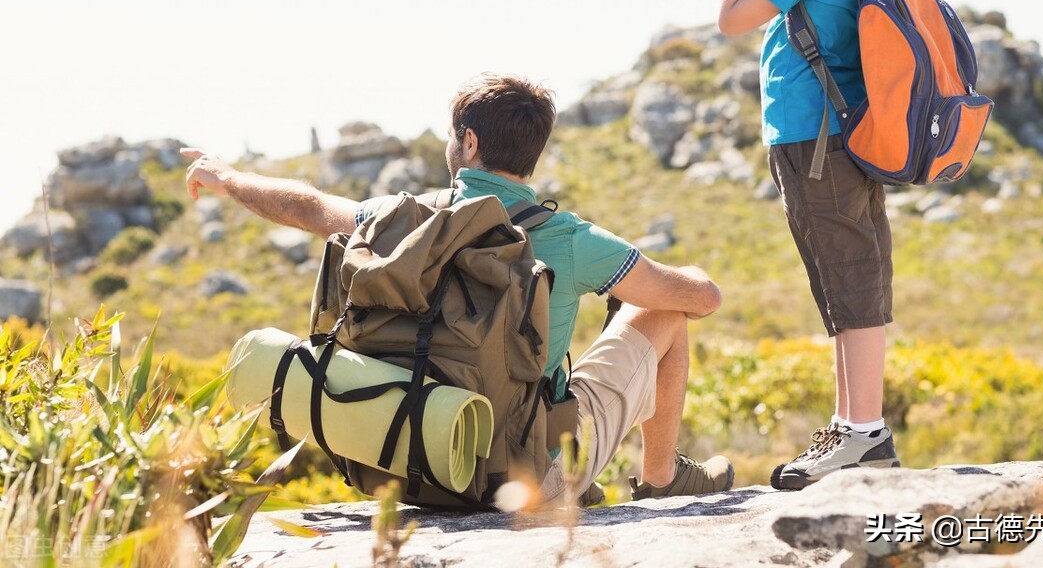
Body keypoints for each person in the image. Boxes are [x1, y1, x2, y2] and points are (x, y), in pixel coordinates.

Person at [181, 72, 734, 505]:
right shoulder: (569, 238)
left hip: (419, 458)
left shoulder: (396, 220)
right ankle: (662, 480)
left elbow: (305, 207)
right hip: (523, 479)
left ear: (468, 143)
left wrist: (228, 179)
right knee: (660, 313)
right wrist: (693, 276)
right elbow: (701, 300)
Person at [716, 0, 900, 490]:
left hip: (811, 140)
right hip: (856, 138)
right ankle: (854, 426)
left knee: (845, 282)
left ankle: (862, 433)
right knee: (853, 276)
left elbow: (733, 17)